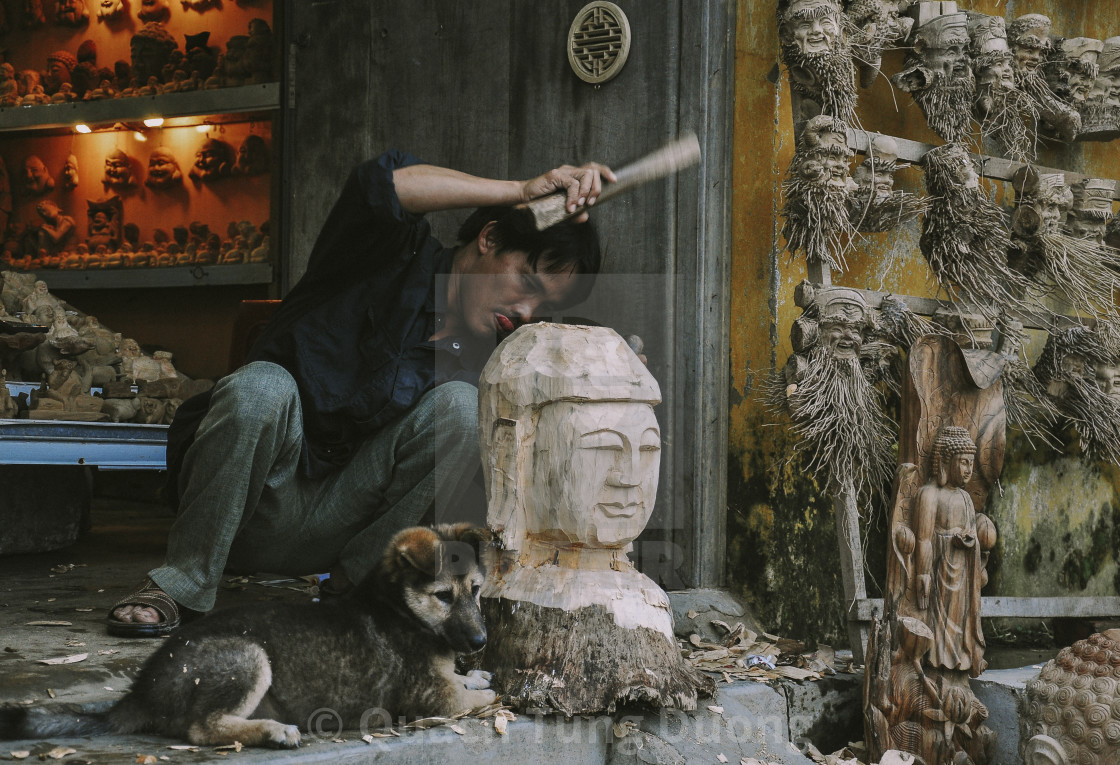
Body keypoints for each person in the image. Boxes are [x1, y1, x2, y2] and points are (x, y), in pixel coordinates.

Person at [107, 150, 614, 636]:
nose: (526, 310)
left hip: (339, 527)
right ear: (489, 237)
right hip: (250, 502)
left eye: (544, 304)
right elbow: (384, 184)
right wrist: (522, 191)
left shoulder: (493, 358)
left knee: (463, 409)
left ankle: (359, 597)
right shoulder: (385, 253)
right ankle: (179, 583)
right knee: (262, 386)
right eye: (527, 281)